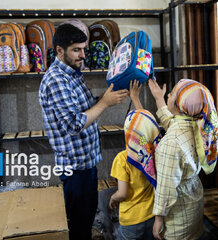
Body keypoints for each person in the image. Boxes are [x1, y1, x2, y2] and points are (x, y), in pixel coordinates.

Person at [38, 24, 129, 240]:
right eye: (76, 50)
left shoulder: (73, 74)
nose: (83, 55)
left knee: (85, 219)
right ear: (60, 51)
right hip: (75, 167)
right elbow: (73, 124)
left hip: (85, 163)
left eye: (84, 49)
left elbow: (85, 108)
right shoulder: (56, 80)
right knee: (78, 226)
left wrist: (107, 98)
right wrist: (105, 103)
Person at [148, 78, 218, 240]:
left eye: (172, 94)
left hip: (178, 215)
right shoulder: (195, 125)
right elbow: (170, 121)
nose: (169, 96)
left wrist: (158, 218)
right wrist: (159, 98)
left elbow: (166, 186)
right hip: (193, 203)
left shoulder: (172, 142)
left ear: (182, 105)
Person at [109, 80, 160, 240]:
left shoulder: (122, 159)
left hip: (131, 220)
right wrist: (136, 98)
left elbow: (122, 194)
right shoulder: (154, 154)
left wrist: (113, 197)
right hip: (151, 216)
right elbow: (144, 126)